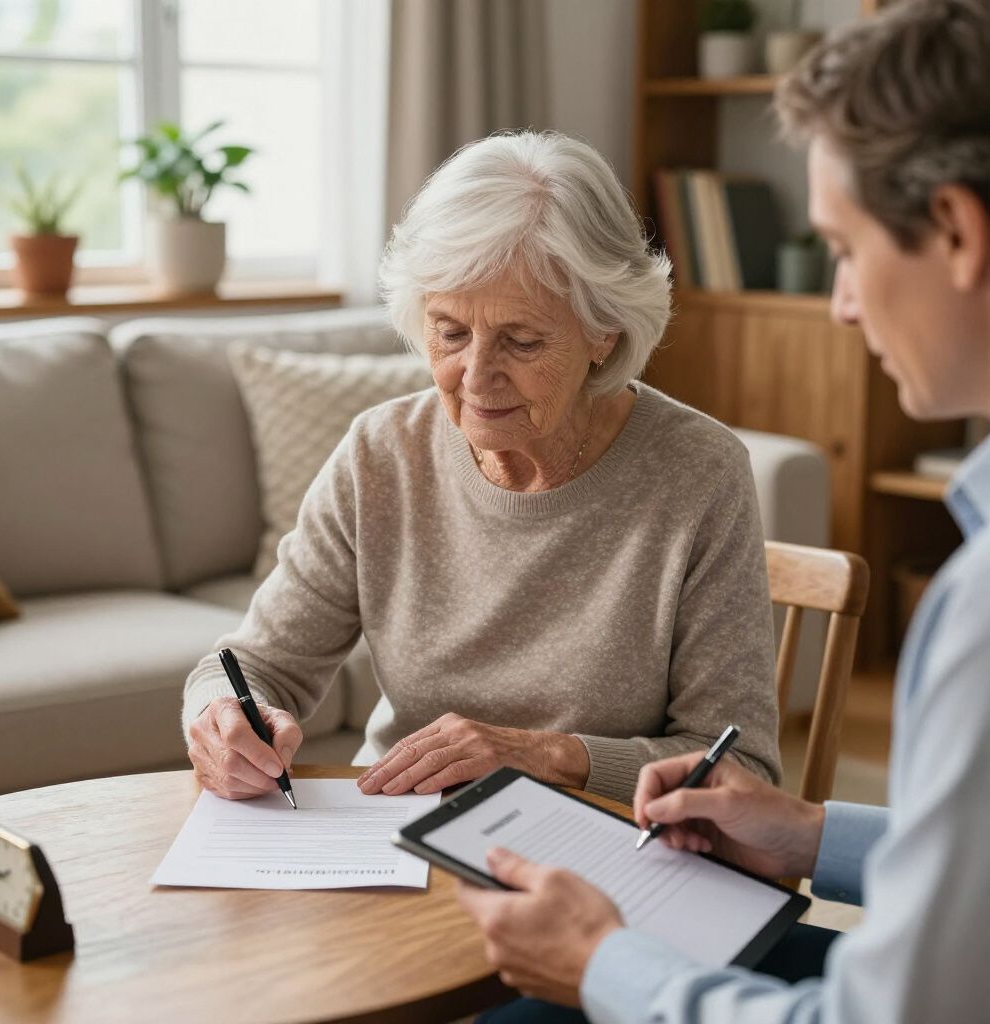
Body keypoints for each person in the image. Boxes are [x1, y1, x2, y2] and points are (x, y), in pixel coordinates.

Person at [456, 1, 990, 1021]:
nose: (838, 301)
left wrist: (601, 961)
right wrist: (808, 835)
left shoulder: (978, 603)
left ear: (957, 232)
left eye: (840, 245)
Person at [181, 130, 782, 807]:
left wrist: (544, 755)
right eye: (450, 332)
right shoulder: (382, 454)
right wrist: (221, 721)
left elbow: (742, 769)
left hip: (592, 853)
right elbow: (251, 666)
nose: (476, 376)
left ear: (603, 330)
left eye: (521, 340)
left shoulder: (698, 474)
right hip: (398, 834)